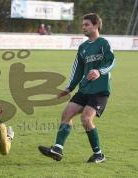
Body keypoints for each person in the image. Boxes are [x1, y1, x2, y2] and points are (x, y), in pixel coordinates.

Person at [38, 13, 115, 163]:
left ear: (95, 25)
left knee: (86, 118)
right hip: (84, 89)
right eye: (83, 25)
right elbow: (77, 70)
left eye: (86, 24)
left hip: (99, 90)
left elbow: (111, 62)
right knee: (66, 114)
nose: (83, 27)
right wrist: (69, 88)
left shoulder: (104, 43)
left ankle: (99, 155)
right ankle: (58, 148)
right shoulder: (83, 47)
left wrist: (99, 71)